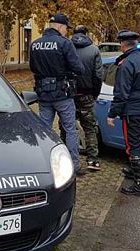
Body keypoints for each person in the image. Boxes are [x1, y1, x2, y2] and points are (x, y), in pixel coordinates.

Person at [30, 13, 85, 174]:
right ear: (60, 26)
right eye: (66, 28)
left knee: (45, 131)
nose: (66, 32)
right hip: (63, 94)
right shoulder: (64, 44)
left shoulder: (35, 44)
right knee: (70, 130)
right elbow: (79, 69)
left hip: (43, 94)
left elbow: (33, 67)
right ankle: (74, 165)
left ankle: (45, 164)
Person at [107, 30, 140, 196]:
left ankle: (139, 186)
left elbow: (121, 93)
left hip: (132, 112)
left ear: (122, 44)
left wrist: (112, 114)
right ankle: (134, 172)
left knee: (132, 146)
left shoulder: (126, 64)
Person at [60, 25, 104, 171]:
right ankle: (93, 161)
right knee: (90, 127)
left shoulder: (65, 47)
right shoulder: (94, 50)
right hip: (87, 95)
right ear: (86, 33)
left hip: (68, 95)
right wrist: (95, 93)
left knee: (67, 127)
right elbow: (98, 76)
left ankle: (66, 159)